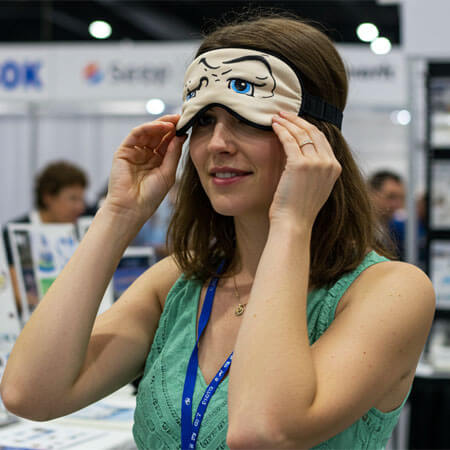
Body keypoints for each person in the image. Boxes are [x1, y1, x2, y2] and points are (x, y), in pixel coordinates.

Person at [0, 13, 435, 450]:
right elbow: (31, 393)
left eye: (249, 117)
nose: (217, 144)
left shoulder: (389, 292)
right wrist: (118, 215)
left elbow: (264, 429)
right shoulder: (177, 283)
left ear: (314, 139)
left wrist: (292, 223)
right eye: (203, 121)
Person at [2, 160, 87, 310]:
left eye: (81, 199)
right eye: (73, 199)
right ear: (48, 197)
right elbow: (15, 293)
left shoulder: (81, 231)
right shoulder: (14, 233)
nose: (80, 207)